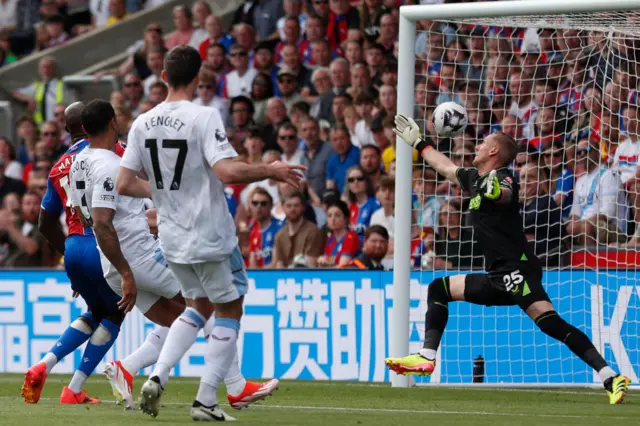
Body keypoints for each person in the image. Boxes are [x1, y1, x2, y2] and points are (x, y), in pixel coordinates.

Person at [386, 114, 630, 404]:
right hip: (496, 276)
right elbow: (446, 167)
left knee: (550, 323)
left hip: (517, 271)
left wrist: (493, 190)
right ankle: (426, 358)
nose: (477, 146)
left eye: (483, 143)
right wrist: (419, 143)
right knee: (438, 288)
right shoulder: (474, 179)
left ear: (494, 152)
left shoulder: (504, 177)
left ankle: (611, 377)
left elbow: (504, 195)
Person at [115, 46, 303, 420]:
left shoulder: (142, 122)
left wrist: (162, 192)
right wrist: (272, 169)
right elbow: (228, 172)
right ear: (199, 77)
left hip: (170, 236)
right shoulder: (202, 116)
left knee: (197, 307)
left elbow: (124, 182)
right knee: (230, 308)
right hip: (209, 233)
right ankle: (204, 400)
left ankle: (157, 374)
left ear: (164, 77)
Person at [72, 100, 275, 411]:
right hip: (137, 259)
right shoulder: (111, 165)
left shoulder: (78, 163)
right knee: (210, 304)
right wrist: (128, 269)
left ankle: (127, 367)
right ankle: (235, 387)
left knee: (179, 323)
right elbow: (101, 221)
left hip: (110, 263)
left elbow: (90, 217)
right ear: (113, 123)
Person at [21, 102, 123, 406]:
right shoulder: (111, 149)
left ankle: (44, 364)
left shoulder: (58, 166)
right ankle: (74, 387)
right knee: (116, 312)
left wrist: (70, 254)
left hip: (74, 246)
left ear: (67, 130)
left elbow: (44, 222)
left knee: (95, 312)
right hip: (101, 243)